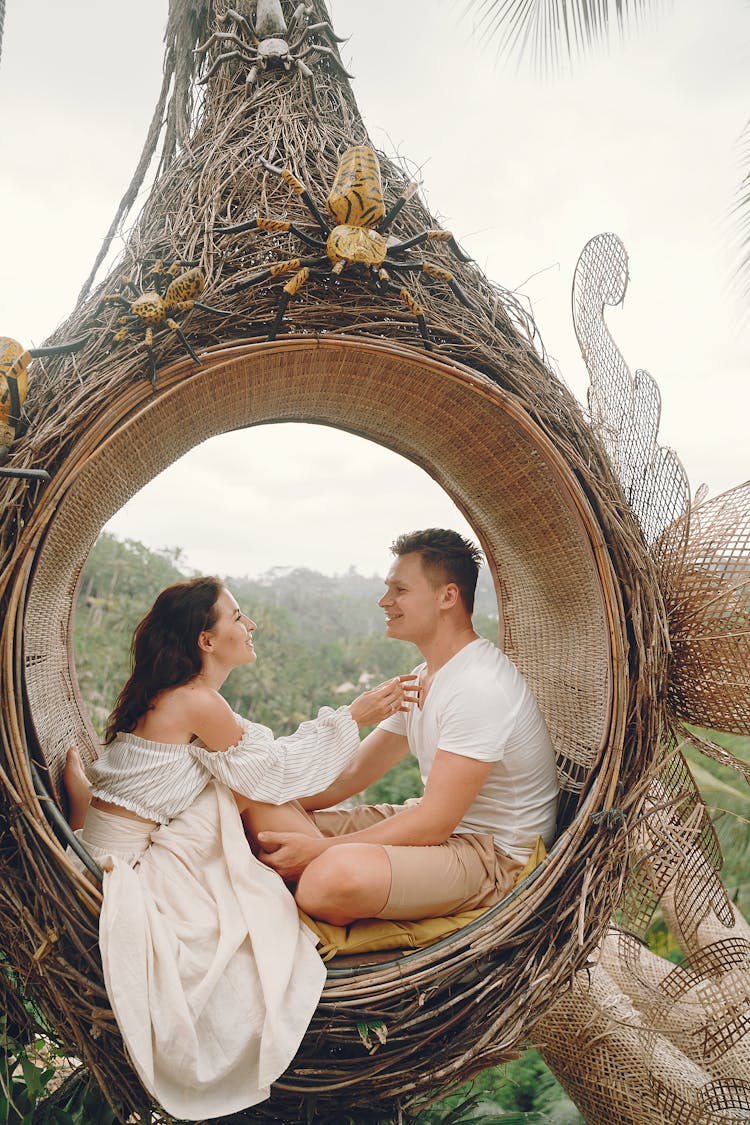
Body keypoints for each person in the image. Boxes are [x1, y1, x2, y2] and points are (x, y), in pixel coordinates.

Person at [63, 575, 415, 1121]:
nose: (250, 626)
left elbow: (266, 761)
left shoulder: (179, 696)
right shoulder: (197, 702)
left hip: (116, 839)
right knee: (238, 792)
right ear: (207, 640)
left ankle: (327, 860)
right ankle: (333, 877)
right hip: (127, 866)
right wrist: (356, 715)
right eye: (238, 617)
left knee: (226, 787)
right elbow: (276, 772)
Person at [251, 529, 560, 928]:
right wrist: (274, 796)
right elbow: (350, 776)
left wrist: (318, 851)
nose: (385, 601)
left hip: (492, 856)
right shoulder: (421, 679)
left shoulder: (479, 686)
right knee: (261, 811)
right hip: (438, 835)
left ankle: (314, 873)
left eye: (399, 590)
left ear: (447, 597)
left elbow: (434, 822)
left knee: (332, 877)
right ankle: (306, 864)